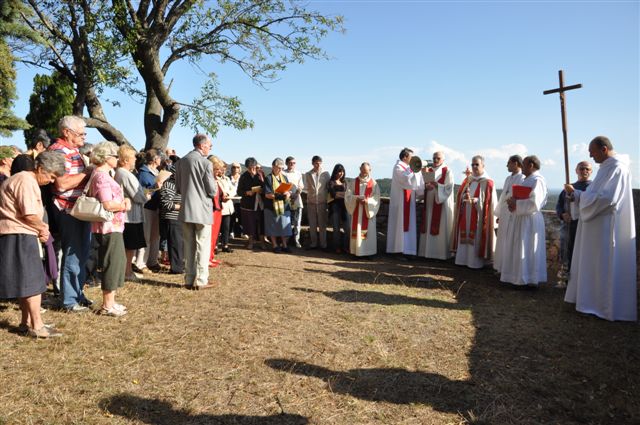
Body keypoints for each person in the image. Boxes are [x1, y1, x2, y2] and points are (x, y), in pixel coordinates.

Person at [564, 136, 637, 321]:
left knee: (602, 265)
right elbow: (593, 194)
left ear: (604, 149)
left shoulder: (617, 168)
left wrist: (581, 197)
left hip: (605, 227)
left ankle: (602, 305)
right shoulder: (606, 168)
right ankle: (590, 301)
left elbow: (608, 199)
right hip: (594, 226)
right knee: (593, 264)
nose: (590, 155)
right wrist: (577, 194)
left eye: (592, 151)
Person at [0, 151, 65, 337]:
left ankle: (26, 322)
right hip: (20, 234)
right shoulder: (26, 181)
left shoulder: (23, 179)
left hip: (17, 233)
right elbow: (29, 214)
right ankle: (37, 326)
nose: (52, 181)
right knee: (32, 282)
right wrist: (43, 229)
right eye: (51, 176)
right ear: (41, 168)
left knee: (24, 280)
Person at [49, 115, 94, 312]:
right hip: (68, 209)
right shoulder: (59, 151)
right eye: (81, 133)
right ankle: (69, 300)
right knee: (73, 254)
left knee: (81, 253)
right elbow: (61, 184)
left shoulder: (72, 150)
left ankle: (77, 294)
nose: (84, 137)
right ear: (66, 132)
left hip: (78, 209)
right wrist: (87, 173)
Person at [88, 142, 131, 316]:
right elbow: (107, 204)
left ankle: (111, 302)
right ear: (106, 157)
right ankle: (107, 305)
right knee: (112, 263)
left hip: (112, 226)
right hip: (108, 227)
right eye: (115, 155)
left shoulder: (103, 174)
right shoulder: (101, 176)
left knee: (116, 262)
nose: (117, 158)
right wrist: (124, 205)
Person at [175, 134, 218, 290]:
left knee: (189, 246)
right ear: (202, 145)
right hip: (202, 210)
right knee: (203, 246)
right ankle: (201, 280)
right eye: (209, 146)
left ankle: (189, 279)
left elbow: (178, 188)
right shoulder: (206, 163)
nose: (210, 148)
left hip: (186, 208)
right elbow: (212, 191)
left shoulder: (181, 162)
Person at [498, 155, 547, 286]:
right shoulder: (527, 180)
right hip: (521, 218)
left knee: (527, 248)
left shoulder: (538, 181)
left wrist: (516, 203)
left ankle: (529, 279)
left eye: (524, 164)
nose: (521, 167)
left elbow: (535, 203)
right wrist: (513, 203)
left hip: (530, 220)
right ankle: (518, 277)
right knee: (519, 248)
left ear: (531, 165)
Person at [451, 155, 497, 269]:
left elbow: (490, 202)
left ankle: (475, 262)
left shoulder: (487, 182)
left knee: (476, 236)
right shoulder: (468, 180)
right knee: (464, 233)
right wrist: (463, 197)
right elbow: (460, 196)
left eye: (477, 164)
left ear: (483, 165)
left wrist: (476, 200)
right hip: (466, 213)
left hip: (479, 216)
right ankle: (463, 260)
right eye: (473, 164)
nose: (474, 167)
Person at [555, 160, 592, 285]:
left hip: (583, 227)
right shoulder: (568, 187)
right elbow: (559, 205)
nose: (584, 171)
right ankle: (566, 279)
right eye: (581, 168)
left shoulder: (592, 188)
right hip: (567, 226)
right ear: (576, 171)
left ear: (591, 171)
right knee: (566, 252)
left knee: (581, 254)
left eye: (587, 169)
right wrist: (562, 214)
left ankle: (579, 282)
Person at [114, 145, 148, 281]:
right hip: (130, 217)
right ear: (126, 160)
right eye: (133, 157)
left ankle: (126, 271)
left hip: (130, 215)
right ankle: (127, 272)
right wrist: (146, 196)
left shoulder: (122, 173)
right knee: (129, 247)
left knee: (129, 246)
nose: (135, 159)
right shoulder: (125, 174)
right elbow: (138, 196)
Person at [417, 151, 455, 260]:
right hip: (429, 203)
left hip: (441, 204)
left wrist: (437, 185)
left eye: (438, 158)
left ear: (443, 159)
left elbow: (449, 187)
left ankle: (440, 255)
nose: (435, 160)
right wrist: (426, 186)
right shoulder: (428, 170)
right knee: (428, 224)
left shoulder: (447, 171)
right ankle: (426, 253)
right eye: (434, 158)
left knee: (441, 228)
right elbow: (421, 185)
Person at [386, 148, 423, 256]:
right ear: (405, 157)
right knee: (400, 225)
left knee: (409, 225)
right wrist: (414, 169)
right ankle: (398, 250)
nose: (413, 159)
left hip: (409, 201)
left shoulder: (407, 167)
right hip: (400, 202)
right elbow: (405, 179)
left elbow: (416, 182)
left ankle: (408, 250)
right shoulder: (398, 167)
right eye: (411, 157)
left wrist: (419, 172)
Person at [493, 155, 525, 272]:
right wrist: (500, 214)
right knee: (502, 240)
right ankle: (500, 266)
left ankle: (508, 268)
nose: (507, 165)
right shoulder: (508, 178)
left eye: (509, 163)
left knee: (509, 241)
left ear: (516, 163)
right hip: (505, 213)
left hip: (512, 214)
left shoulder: (522, 178)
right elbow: (503, 197)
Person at [135, 149, 163, 273]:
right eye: (160, 158)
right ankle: (140, 263)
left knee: (155, 236)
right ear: (155, 159)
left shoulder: (156, 172)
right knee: (146, 236)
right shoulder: (143, 173)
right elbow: (141, 192)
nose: (161, 160)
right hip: (146, 207)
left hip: (156, 207)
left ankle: (152, 261)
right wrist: (154, 187)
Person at [345, 162, 380, 257]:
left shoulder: (374, 183)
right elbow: (348, 196)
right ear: (360, 169)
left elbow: (376, 198)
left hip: (367, 211)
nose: (364, 172)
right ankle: (355, 252)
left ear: (370, 170)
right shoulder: (353, 182)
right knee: (356, 231)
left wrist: (367, 201)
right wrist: (355, 198)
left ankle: (368, 253)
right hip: (356, 209)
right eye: (363, 170)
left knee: (368, 233)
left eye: (366, 171)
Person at [264, 158, 293, 253]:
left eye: (282, 168)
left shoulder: (284, 177)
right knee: (272, 226)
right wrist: (280, 196)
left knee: (284, 226)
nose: (280, 170)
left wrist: (288, 193)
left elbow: (288, 190)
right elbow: (267, 194)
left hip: (284, 206)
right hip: (272, 206)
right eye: (278, 168)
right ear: (273, 167)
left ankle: (284, 245)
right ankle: (275, 245)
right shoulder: (268, 178)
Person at [159, 163, 184, 274]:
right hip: (172, 218)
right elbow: (166, 203)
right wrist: (181, 206)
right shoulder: (169, 184)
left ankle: (180, 265)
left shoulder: (180, 184)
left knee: (179, 243)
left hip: (179, 217)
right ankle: (176, 268)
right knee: (175, 243)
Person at [237, 157, 265, 250]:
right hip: (248, 204)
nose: (252, 169)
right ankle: (250, 242)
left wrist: (261, 189)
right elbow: (239, 191)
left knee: (261, 223)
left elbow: (265, 186)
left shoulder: (260, 174)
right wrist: (247, 192)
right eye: (250, 168)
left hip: (260, 203)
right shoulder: (244, 176)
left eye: (254, 167)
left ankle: (262, 242)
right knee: (250, 223)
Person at [304, 155, 330, 250]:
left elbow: (328, 187)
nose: (318, 165)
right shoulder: (308, 174)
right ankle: (313, 243)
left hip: (322, 202)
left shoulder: (326, 174)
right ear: (312, 163)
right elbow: (305, 187)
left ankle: (323, 245)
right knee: (312, 225)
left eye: (319, 163)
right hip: (311, 202)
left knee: (322, 225)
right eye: (316, 163)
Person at [208, 155, 226, 267]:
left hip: (218, 209)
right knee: (209, 236)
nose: (219, 171)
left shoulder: (216, 180)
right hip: (211, 210)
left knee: (214, 235)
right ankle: (207, 258)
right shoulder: (208, 179)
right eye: (217, 169)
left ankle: (211, 256)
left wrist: (224, 196)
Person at [282, 156, 304, 248]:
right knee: (286, 222)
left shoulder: (298, 173)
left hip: (297, 200)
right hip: (286, 200)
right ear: (286, 163)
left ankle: (296, 240)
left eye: (294, 163)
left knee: (297, 222)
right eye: (290, 163)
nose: (292, 164)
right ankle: (285, 241)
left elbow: (301, 186)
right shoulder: (282, 173)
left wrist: (296, 195)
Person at [328, 163, 349, 253]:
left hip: (345, 208)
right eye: (339, 171)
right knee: (336, 229)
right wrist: (342, 194)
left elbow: (348, 195)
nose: (341, 173)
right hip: (334, 208)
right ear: (335, 172)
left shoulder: (345, 182)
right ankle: (337, 248)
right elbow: (333, 195)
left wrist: (339, 194)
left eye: (342, 171)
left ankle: (345, 247)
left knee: (348, 229)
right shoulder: (331, 182)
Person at [216, 161, 235, 254]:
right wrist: (223, 195)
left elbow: (233, 189)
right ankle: (215, 246)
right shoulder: (214, 179)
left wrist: (228, 194)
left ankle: (225, 245)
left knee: (226, 228)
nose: (223, 171)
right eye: (221, 169)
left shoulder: (227, 179)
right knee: (217, 228)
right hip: (219, 205)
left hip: (228, 207)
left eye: (224, 169)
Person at [228, 162, 243, 238]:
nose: (236, 169)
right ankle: (231, 231)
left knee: (241, 217)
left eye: (237, 167)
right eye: (234, 167)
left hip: (241, 200)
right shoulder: (228, 178)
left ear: (240, 168)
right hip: (230, 200)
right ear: (231, 168)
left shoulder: (242, 178)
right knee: (231, 217)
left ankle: (241, 232)